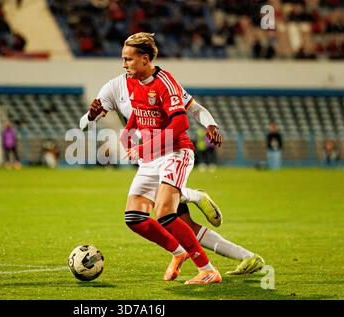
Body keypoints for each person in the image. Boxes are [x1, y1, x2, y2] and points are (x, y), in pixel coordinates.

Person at [80, 68, 264, 277]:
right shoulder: (114, 87)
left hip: (169, 155)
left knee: (165, 213)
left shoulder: (162, 82)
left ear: (145, 59)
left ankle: (192, 196)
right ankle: (247, 256)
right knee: (181, 225)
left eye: (129, 58)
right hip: (147, 158)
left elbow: (193, 109)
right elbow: (84, 126)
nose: (126, 64)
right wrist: (91, 116)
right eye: (124, 59)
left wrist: (210, 124)